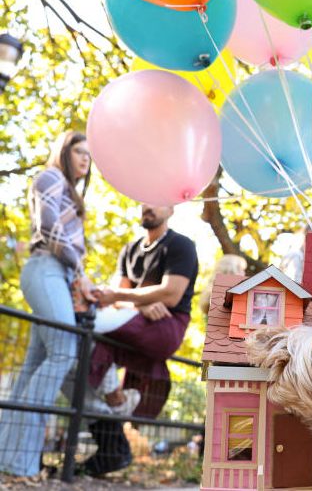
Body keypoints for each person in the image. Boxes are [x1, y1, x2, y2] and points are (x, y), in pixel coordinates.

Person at [0, 131, 95, 477]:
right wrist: (79, 269)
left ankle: (7, 456)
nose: (86, 159)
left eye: (89, 154)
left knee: (33, 366)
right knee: (63, 353)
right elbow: (48, 225)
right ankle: (21, 461)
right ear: (64, 152)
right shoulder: (50, 176)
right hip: (46, 269)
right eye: (79, 151)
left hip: (57, 273)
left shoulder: (67, 188)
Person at [80, 204, 199, 476]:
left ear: (171, 208)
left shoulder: (181, 245)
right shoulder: (130, 249)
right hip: (133, 320)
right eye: (144, 200)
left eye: (155, 201)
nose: (148, 206)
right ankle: (116, 405)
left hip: (166, 325)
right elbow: (115, 300)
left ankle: (118, 400)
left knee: (92, 325)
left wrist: (125, 300)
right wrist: (140, 305)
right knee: (83, 343)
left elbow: (170, 295)